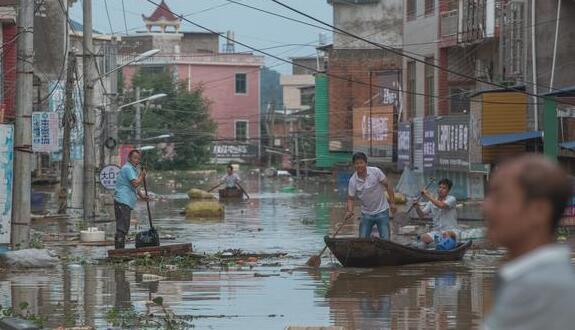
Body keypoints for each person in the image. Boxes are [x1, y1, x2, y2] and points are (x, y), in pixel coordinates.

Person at [482, 155, 575, 330]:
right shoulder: (538, 279)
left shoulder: (539, 288)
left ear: (539, 211)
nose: (485, 208)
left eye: (500, 198)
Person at [346, 152, 396, 239]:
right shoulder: (353, 181)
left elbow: (388, 185)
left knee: (385, 240)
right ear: (354, 165)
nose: (359, 165)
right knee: (362, 240)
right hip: (366, 214)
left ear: (366, 163)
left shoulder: (375, 171)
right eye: (357, 163)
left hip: (382, 211)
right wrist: (350, 211)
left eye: (361, 163)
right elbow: (350, 198)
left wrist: (392, 203)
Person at [113, 150, 148, 249]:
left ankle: (119, 249)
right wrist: (142, 175)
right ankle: (119, 251)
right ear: (129, 158)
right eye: (135, 158)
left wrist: (142, 196)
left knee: (124, 226)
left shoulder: (132, 169)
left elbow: (134, 187)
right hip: (122, 200)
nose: (137, 160)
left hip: (125, 201)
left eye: (138, 158)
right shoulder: (128, 168)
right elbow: (135, 183)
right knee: (122, 227)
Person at [413, 178, 458, 247]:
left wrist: (427, 195)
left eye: (444, 188)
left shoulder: (452, 199)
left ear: (448, 191)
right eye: (440, 187)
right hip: (437, 232)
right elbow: (421, 215)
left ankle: (437, 244)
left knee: (445, 235)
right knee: (422, 237)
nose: (441, 189)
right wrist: (417, 207)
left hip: (450, 231)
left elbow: (441, 205)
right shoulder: (431, 202)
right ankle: (436, 244)